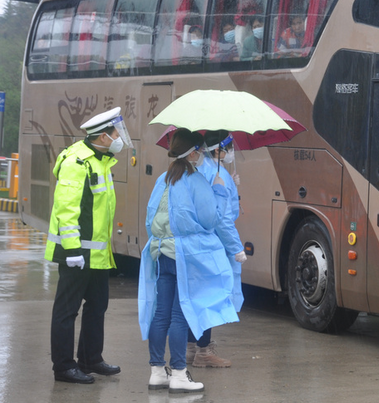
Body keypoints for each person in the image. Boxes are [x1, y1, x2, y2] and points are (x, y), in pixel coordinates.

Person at [138, 129, 238, 393]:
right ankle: (180, 374)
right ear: (193, 152)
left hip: (161, 254)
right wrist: (218, 190)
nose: (203, 154)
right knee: (180, 314)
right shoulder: (195, 180)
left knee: (161, 314)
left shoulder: (164, 179)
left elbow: (151, 219)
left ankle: (157, 372)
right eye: (201, 150)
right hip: (184, 257)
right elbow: (211, 219)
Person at [46, 107, 131, 384]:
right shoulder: (77, 162)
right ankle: (63, 367)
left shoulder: (102, 160)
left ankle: (90, 359)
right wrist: (72, 251)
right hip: (76, 253)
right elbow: (66, 209)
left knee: (97, 305)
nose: (120, 137)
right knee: (66, 310)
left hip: (96, 253)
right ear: (104, 137)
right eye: (116, 132)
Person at [186, 130, 247, 368]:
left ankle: (192, 348)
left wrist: (232, 184)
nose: (232, 152)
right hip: (215, 243)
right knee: (211, 297)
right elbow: (222, 219)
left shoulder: (206, 171)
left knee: (199, 296)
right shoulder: (215, 174)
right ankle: (204, 352)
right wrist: (236, 248)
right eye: (229, 147)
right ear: (219, 150)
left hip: (202, 244)